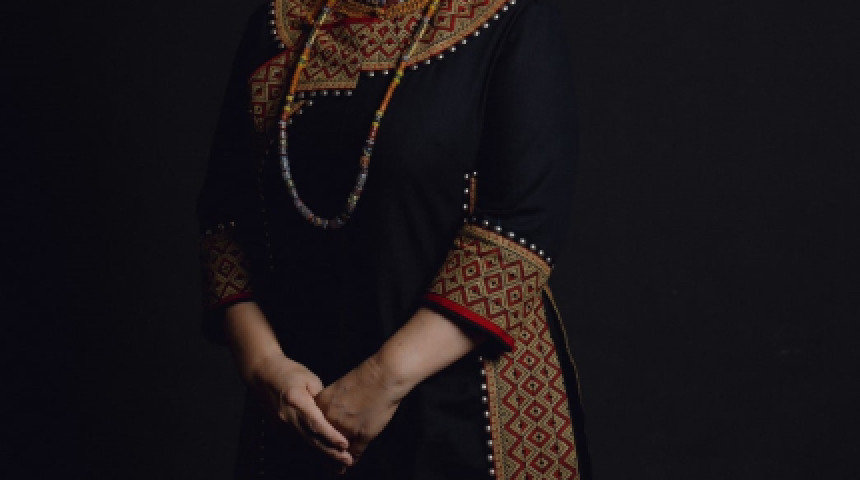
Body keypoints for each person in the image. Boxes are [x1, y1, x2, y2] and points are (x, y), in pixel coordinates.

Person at [196, 0, 592, 477]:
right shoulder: (278, 22)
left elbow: (523, 227)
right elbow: (224, 222)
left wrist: (382, 380)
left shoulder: (511, 17)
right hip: (301, 407)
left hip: (467, 407)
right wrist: (266, 368)